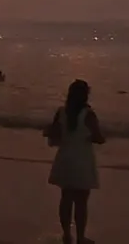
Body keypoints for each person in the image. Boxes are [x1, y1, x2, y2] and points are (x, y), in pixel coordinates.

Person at [43, 79, 105, 244]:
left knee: (66, 198)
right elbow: (99, 138)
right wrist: (92, 137)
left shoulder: (61, 112)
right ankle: (80, 237)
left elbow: (54, 134)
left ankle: (66, 234)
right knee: (81, 202)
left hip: (65, 158)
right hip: (82, 160)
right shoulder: (88, 114)